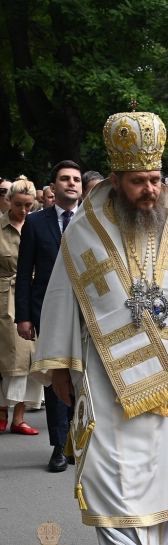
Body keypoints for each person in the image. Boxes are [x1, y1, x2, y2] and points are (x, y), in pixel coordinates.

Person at [30, 109, 168, 545]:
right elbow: (64, 299)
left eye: (155, 179)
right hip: (105, 373)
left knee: (162, 471)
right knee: (110, 470)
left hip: (167, 372)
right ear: (115, 178)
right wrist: (62, 369)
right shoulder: (84, 228)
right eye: (139, 182)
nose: (151, 190)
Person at [15, 160, 81, 472]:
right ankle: (59, 446)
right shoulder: (36, 222)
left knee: (83, 376)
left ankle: (79, 441)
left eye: (76, 179)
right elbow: (24, 271)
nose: (71, 183)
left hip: (86, 312)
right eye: (64, 179)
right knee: (56, 375)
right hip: (47, 311)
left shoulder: (92, 221)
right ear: (52, 187)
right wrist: (23, 316)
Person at [0, 177, 45, 435]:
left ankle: (19, 416)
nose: (23, 210)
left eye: (29, 205)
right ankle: (3, 411)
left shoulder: (37, 226)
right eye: (18, 204)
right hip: (5, 298)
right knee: (10, 357)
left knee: (31, 358)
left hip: (32, 295)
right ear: (8, 201)